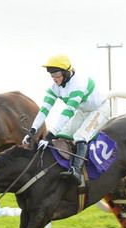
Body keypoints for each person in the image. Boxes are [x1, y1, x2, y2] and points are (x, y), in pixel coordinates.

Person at [23, 55, 110, 187]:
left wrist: (48, 135)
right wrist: (33, 130)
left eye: (57, 74)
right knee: (61, 135)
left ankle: (76, 172)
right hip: (82, 111)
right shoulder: (55, 87)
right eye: (52, 75)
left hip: (99, 110)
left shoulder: (78, 84)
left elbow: (68, 112)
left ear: (67, 73)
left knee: (80, 137)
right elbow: (44, 110)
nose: (54, 78)